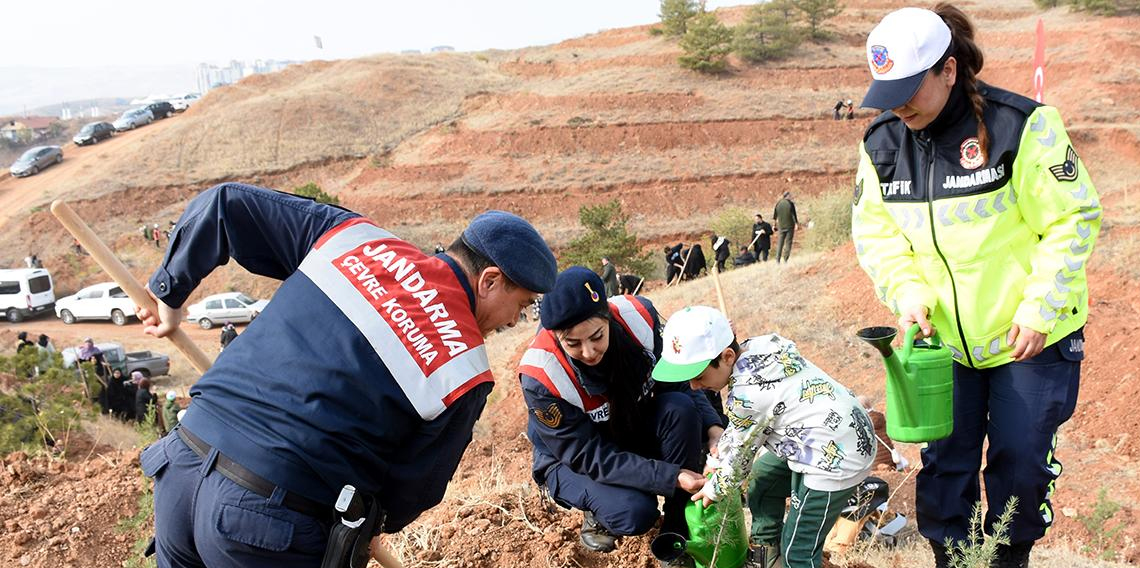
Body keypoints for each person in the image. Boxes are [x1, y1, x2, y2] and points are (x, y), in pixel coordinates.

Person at [134, 182, 557, 567]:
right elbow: (414, 487)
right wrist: (373, 521)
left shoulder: (351, 238)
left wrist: (170, 292)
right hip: (264, 520)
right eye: (520, 306)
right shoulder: (463, 368)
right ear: (490, 280)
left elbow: (226, 204)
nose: (514, 321)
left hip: (181, 465)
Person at [851, 6, 1100, 568]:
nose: (899, 103)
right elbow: (877, 236)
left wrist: (1040, 309)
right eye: (888, 91)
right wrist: (908, 296)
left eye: (910, 88)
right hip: (946, 348)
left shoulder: (1023, 126)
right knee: (945, 471)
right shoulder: (883, 145)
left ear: (949, 69)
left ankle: (1007, 561)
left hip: (1027, 341)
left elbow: (1073, 217)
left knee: (1020, 466)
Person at [518, 267, 722, 564]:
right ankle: (598, 509)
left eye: (597, 336)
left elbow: (678, 381)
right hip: (573, 460)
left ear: (608, 317)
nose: (589, 352)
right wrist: (671, 475)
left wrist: (714, 427)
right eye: (573, 344)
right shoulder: (542, 375)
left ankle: (677, 530)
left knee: (680, 408)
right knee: (634, 512)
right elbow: (588, 456)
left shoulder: (639, 318)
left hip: (626, 427)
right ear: (556, 336)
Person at [653, 306, 875, 568]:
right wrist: (718, 457)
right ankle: (765, 555)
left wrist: (714, 486)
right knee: (763, 479)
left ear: (726, 356)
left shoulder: (750, 393)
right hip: (823, 435)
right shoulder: (757, 350)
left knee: (799, 550)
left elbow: (739, 459)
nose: (694, 386)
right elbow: (740, 433)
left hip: (836, 459)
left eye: (699, 376)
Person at [773, 193, 798, 263]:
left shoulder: (778, 203)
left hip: (781, 227)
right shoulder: (790, 204)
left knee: (780, 243)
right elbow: (794, 215)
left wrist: (774, 225)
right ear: (787, 196)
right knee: (788, 243)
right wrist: (796, 224)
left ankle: (777, 259)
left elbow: (775, 216)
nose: (791, 197)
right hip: (789, 226)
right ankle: (785, 259)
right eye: (790, 196)